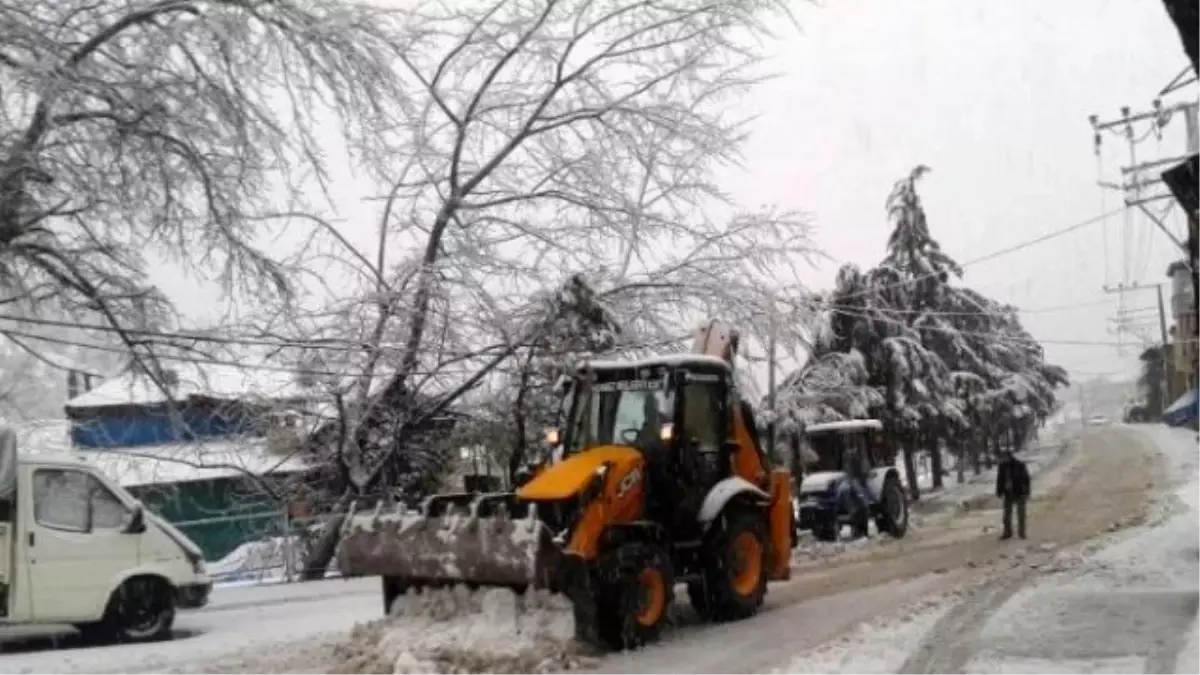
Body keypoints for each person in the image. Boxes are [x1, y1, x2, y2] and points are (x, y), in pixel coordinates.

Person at [995, 449, 1031, 540]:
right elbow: (999, 480)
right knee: (1006, 515)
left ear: (1008, 457)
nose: (1001, 460)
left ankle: (1021, 533)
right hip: (1008, 493)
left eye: (1003, 458)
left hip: (1019, 492)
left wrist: (1026, 491)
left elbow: (1026, 479)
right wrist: (999, 491)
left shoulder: (1019, 465)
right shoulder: (1002, 467)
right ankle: (1007, 532)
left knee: (1021, 514)